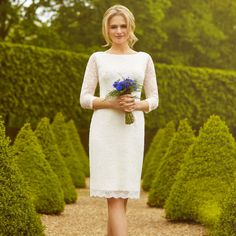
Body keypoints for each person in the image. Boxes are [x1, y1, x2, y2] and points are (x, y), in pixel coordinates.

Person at [80, 4, 158, 236]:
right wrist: (110, 102)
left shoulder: (144, 58)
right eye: (113, 26)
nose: (119, 30)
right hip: (104, 132)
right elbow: (84, 98)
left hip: (131, 132)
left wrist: (137, 104)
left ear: (130, 27)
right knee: (114, 199)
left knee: (121, 198)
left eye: (123, 25)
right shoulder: (97, 58)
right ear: (106, 29)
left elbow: (154, 99)